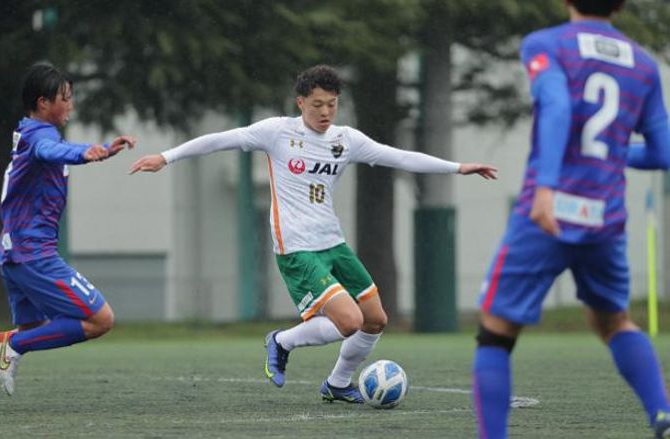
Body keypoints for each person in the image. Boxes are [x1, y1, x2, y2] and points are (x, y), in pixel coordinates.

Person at [130, 64, 497, 403]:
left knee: (375, 319)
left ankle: (337, 384)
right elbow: (218, 140)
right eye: (317, 105)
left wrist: (459, 167)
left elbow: (398, 156)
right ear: (300, 102)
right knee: (348, 321)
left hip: (332, 243)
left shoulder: (345, 139)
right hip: (296, 248)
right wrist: (166, 157)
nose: (324, 113)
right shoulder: (277, 132)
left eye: (332, 105)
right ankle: (281, 341)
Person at [472, 1, 670, 438]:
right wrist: (618, 154)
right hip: (606, 217)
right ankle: (661, 411)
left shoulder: (546, 44)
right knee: (613, 321)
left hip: (546, 213)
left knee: (496, 332)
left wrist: (547, 186)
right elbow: (663, 150)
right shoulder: (642, 63)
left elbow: (558, 105)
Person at [0, 63, 136, 410]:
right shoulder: (41, 137)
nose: (70, 105)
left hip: (14, 253)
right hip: (33, 254)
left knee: (29, 330)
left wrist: (96, 147)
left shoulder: (31, 132)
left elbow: (51, 149)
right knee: (101, 319)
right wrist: (85, 153)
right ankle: (11, 348)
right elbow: (50, 151)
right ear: (43, 103)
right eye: (65, 98)